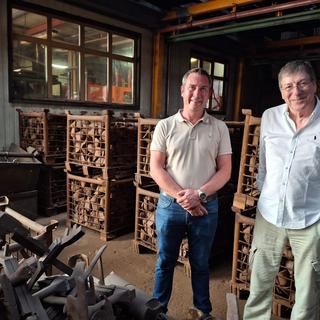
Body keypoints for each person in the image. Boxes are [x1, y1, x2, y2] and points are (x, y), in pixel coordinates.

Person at [150, 67, 232, 319]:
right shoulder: (165, 126)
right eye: (193, 87)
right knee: (165, 261)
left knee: (200, 263)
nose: (197, 93)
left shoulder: (219, 128)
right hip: (170, 206)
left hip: (206, 207)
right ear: (182, 90)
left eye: (203, 88)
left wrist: (200, 196)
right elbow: (155, 168)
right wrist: (184, 198)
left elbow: (225, 170)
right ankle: (158, 310)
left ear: (209, 93)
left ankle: (203, 311)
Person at [243, 60, 320, 320]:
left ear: (314, 85)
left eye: (302, 84)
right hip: (269, 215)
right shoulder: (270, 117)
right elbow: (263, 164)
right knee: (259, 282)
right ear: (281, 91)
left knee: (308, 290)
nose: (295, 92)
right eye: (288, 86)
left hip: (309, 219)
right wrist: (265, 192)